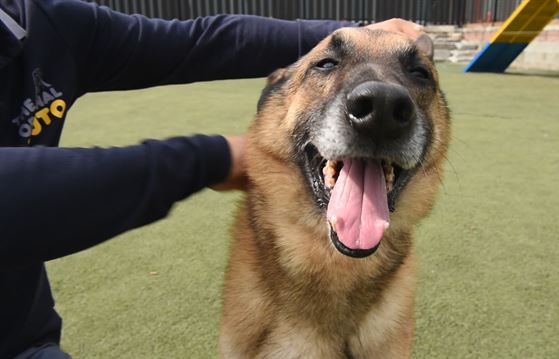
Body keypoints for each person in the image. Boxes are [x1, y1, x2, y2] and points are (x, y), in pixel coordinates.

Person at [0, 0, 423, 357]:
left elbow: (203, 39)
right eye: (328, 65)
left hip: (25, 337)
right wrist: (213, 157)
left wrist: (352, 33)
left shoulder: (44, 23)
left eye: (418, 76)